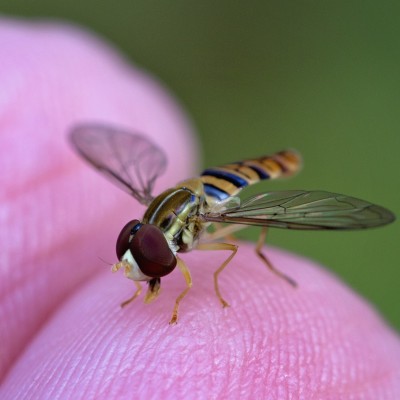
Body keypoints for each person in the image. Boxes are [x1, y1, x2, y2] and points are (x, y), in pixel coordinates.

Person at [1, 19, 399, 399]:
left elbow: (227, 245)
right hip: (196, 190)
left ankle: (269, 224)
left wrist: (186, 293)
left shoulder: (201, 226)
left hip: (215, 194)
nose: (128, 254)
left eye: (133, 247)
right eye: (133, 244)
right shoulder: (153, 227)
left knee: (243, 236)